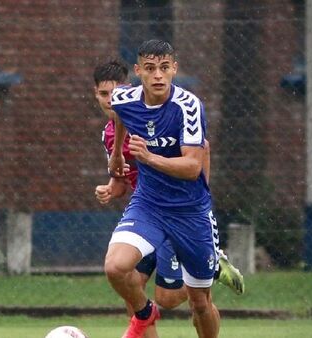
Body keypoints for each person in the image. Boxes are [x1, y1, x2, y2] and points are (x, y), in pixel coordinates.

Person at [105, 40, 223, 338]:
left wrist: (148, 157)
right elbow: (120, 112)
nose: (158, 75)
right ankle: (145, 311)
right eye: (150, 69)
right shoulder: (124, 98)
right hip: (149, 205)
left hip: (190, 211)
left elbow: (192, 167)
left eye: (164, 68)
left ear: (174, 69)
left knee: (199, 304)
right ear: (138, 72)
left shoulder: (188, 106)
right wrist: (118, 153)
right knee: (115, 268)